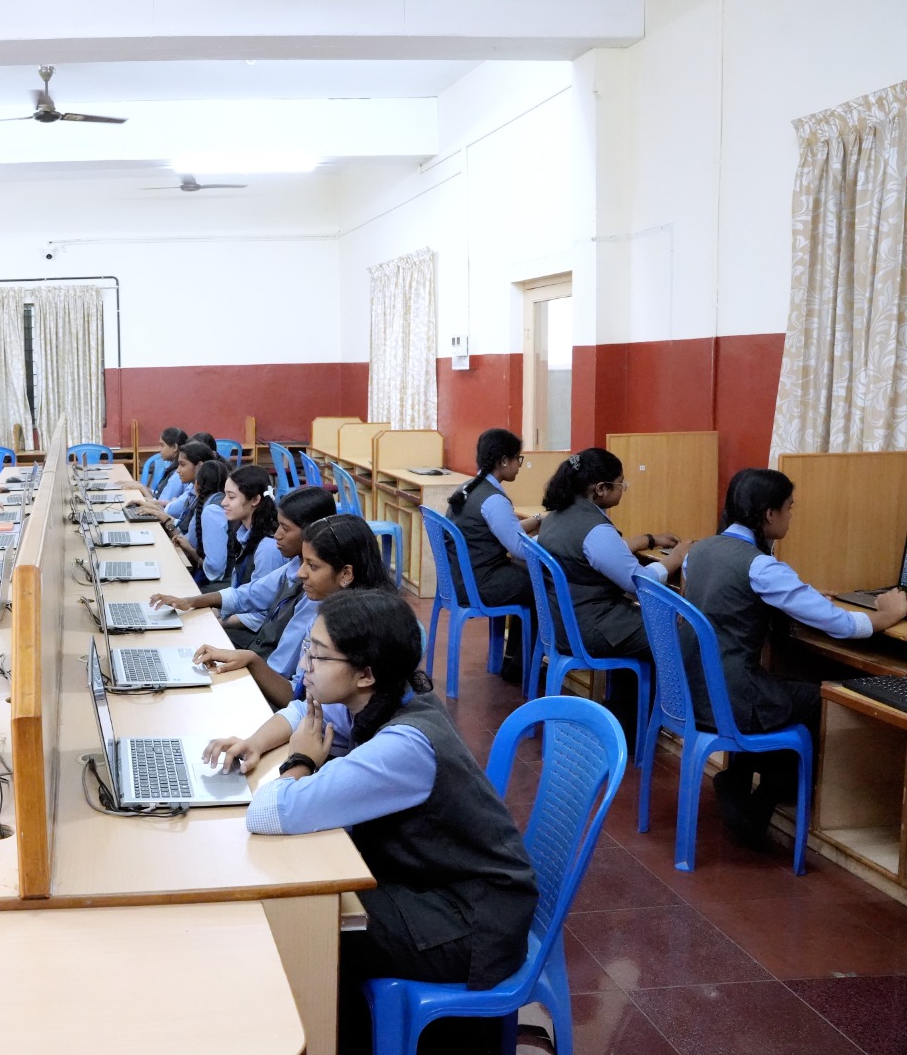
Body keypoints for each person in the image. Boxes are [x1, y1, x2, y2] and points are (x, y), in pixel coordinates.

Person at [202, 589, 537, 1054]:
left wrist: (300, 761)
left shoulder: (405, 746)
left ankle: (323, 1038)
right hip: (430, 885)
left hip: (470, 921)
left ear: (365, 674)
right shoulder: (386, 696)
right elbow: (305, 712)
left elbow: (268, 812)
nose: (304, 666)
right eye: (308, 647)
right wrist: (256, 744)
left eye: (318, 655)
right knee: (307, 907)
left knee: (308, 928)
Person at [686, 468, 907, 846]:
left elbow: (732, 597)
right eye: (789, 507)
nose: (791, 515)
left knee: (785, 687)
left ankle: (737, 779)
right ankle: (762, 803)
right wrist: (888, 614)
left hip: (695, 691)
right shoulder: (760, 566)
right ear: (769, 514)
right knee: (823, 701)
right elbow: (840, 624)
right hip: (732, 698)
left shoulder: (700, 552)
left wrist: (803, 595)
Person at [538, 447, 688, 744]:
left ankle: (623, 715)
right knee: (672, 631)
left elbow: (597, 555)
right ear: (601, 489)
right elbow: (639, 583)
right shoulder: (594, 529)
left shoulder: (557, 516)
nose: (623, 490)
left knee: (639, 622)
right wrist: (677, 557)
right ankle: (645, 728)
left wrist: (649, 539)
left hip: (564, 623)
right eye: (621, 484)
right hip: (591, 627)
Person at [188, 514, 396, 707]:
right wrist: (250, 660)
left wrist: (253, 662)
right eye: (302, 561)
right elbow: (300, 695)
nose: (299, 573)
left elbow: (299, 698)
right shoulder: (323, 613)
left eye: (312, 566)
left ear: (346, 574)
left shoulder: (358, 628)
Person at [150, 485, 337, 658]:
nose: (277, 534)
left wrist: (246, 658)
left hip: (264, 659)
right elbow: (248, 594)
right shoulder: (294, 565)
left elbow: (281, 665)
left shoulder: (314, 592)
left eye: (285, 528)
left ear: (312, 531)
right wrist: (189, 601)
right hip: (260, 651)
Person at [444, 429, 542, 683]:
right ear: (503, 461)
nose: (519, 465)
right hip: (481, 584)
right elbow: (519, 548)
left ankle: (514, 660)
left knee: (526, 579)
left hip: (461, 579)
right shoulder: (494, 500)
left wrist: (536, 521)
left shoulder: (468, 488)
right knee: (542, 586)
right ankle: (522, 666)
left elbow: (499, 531)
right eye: (518, 459)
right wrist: (549, 540)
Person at [167, 458, 231, 588]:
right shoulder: (218, 502)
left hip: (219, 584)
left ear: (196, 485)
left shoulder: (211, 511)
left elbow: (215, 569)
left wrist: (191, 550)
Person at [217, 464, 282, 589]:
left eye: (231, 497)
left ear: (255, 499)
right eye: (225, 495)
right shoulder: (243, 532)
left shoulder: (268, 548)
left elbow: (262, 597)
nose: (223, 502)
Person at [137, 440, 218, 532]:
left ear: (199, 466)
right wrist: (155, 511)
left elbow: (185, 536)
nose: (178, 470)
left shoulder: (208, 503)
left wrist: (160, 515)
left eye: (182, 465)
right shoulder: (192, 487)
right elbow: (181, 526)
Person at [127, 427, 188, 503]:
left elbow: (160, 505)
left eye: (162, 445)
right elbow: (159, 494)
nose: (159, 449)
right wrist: (138, 485)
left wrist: (141, 488)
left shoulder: (177, 475)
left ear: (175, 447)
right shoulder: (173, 468)